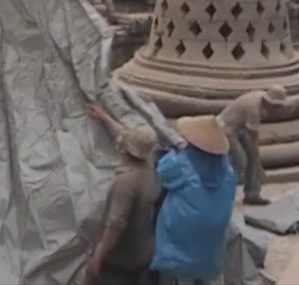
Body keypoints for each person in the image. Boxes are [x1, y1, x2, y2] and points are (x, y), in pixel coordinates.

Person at [150, 115, 236, 285]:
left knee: (180, 275)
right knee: (205, 271)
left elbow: (162, 170)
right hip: (212, 241)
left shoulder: (182, 166)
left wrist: (174, 151)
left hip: (181, 242)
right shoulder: (228, 172)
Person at [86, 105, 161, 285]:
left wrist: (99, 254)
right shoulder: (151, 165)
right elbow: (125, 136)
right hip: (144, 250)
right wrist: (105, 118)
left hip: (122, 259)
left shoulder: (126, 182)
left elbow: (116, 224)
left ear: (126, 150)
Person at [216, 85, 287, 206]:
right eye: (275, 106)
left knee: (251, 157)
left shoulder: (260, 99)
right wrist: (259, 167)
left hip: (239, 127)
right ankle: (223, 195)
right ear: (268, 102)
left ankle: (252, 194)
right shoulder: (254, 108)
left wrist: (256, 162)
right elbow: (254, 140)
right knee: (240, 161)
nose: (275, 110)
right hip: (226, 129)